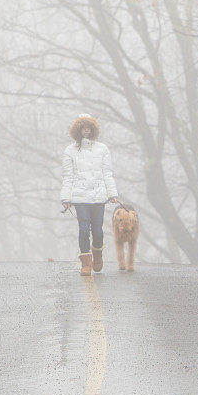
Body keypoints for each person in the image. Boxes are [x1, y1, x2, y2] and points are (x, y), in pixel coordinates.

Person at [60, 114, 119, 275]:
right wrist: (66, 198)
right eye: (83, 128)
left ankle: (97, 254)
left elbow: (107, 173)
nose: (86, 131)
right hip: (80, 197)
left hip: (99, 196)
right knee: (84, 229)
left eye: (88, 128)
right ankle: (86, 263)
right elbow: (68, 176)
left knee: (98, 230)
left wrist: (112, 193)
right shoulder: (70, 151)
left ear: (92, 130)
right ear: (77, 131)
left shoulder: (102, 148)